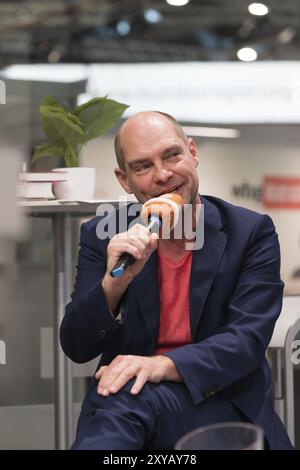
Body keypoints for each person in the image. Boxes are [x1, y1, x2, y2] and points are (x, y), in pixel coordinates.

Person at [60, 111, 293, 450]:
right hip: (131, 404)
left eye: (172, 155)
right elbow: (77, 346)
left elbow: (245, 342)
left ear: (192, 152)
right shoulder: (102, 235)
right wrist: (115, 283)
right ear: (124, 180)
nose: (164, 175)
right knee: (118, 397)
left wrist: (160, 366)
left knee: (119, 396)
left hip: (220, 398)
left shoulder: (250, 232)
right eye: (142, 166)